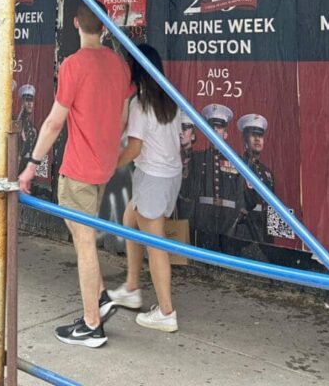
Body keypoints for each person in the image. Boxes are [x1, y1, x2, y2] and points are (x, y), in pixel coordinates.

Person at [18, 1, 133, 348]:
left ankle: (92, 325)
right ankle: (99, 298)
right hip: (103, 167)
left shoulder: (72, 65)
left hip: (78, 169)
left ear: (75, 24)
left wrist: (31, 164)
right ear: (105, 26)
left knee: (84, 245)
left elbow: (54, 122)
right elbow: (124, 119)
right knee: (81, 232)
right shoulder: (119, 66)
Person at [106, 44, 182, 333]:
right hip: (168, 175)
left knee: (156, 244)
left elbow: (134, 148)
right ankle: (132, 287)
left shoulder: (141, 104)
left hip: (153, 177)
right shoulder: (170, 99)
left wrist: (111, 165)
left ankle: (166, 312)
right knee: (129, 219)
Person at [187, 103, 239, 251]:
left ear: (226, 133)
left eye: (219, 126)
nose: (215, 129)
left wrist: (234, 218)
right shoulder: (197, 158)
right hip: (204, 216)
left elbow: (240, 194)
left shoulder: (236, 161)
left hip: (228, 218)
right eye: (211, 126)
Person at [228, 113, 274, 245]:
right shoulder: (236, 164)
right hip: (243, 229)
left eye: (260, 135)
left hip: (263, 229)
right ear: (245, 139)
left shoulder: (267, 173)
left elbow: (271, 208)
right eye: (253, 135)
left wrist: (272, 237)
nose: (257, 139)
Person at [16, 84, 38, 169]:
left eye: (31, 100)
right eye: (27, 100)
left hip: (29, 166)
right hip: (18, 166)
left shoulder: (33, 128)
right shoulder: (17, 122)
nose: (29, 103)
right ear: (22, 103)